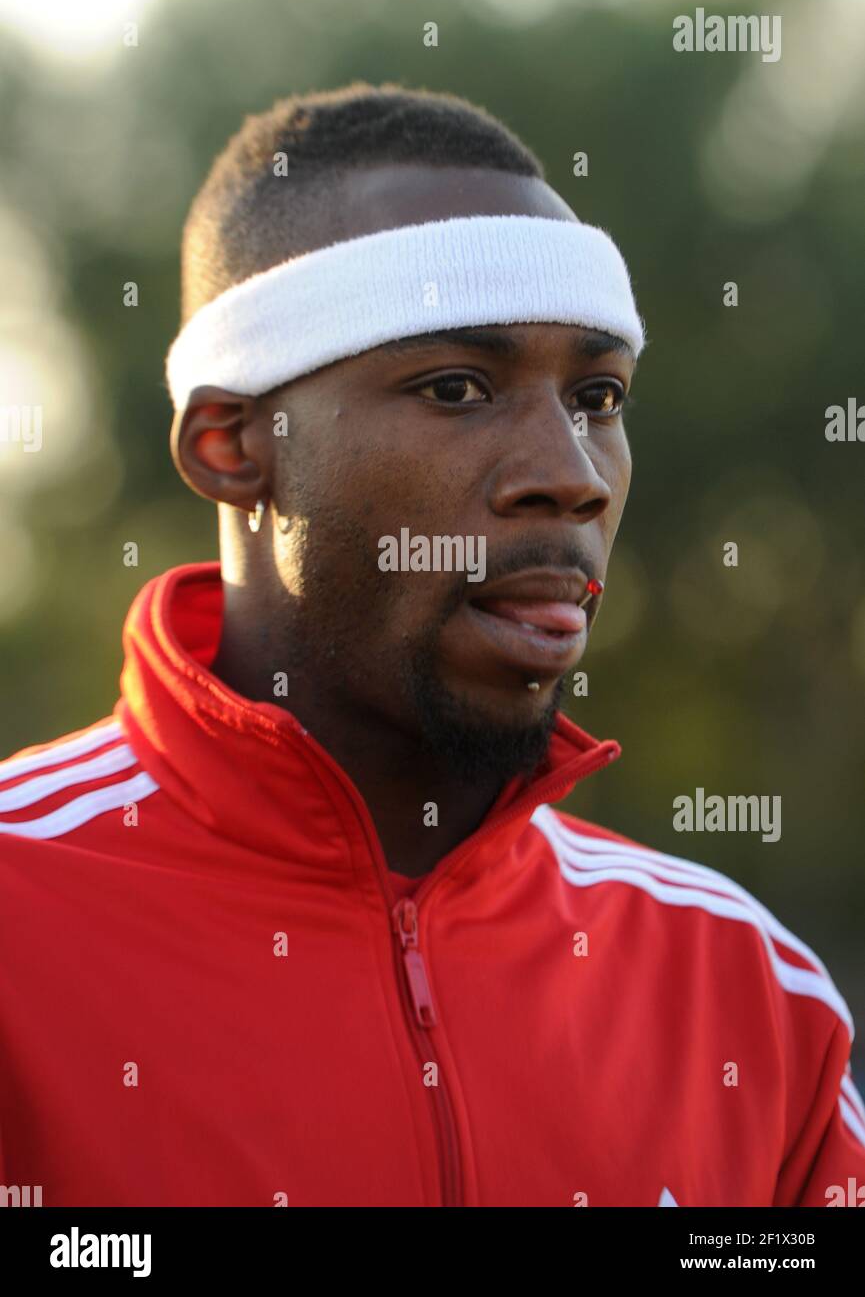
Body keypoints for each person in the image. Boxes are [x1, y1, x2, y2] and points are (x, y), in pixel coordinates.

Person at [1, 82, 862, 1208]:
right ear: (230, 445)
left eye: (598, 395)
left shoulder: (744, 986)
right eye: (457, 387)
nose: (574, 472)